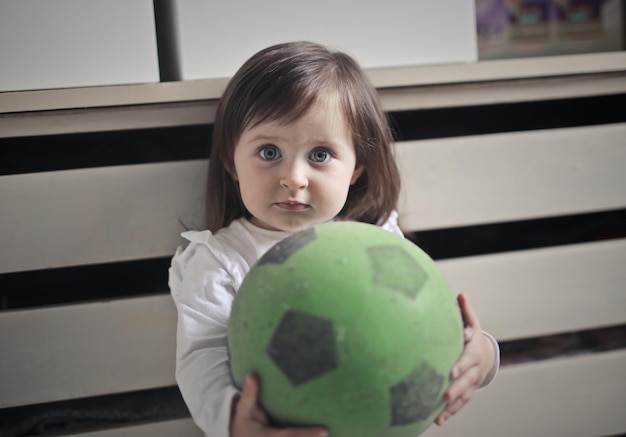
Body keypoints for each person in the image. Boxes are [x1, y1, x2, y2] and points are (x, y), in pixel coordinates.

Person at [169, 41, 499, 437]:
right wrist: (234, 422)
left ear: (357, 168)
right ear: (230, 161)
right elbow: (201, 358)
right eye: (269, 151)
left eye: (321, 155)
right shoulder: (221, 260)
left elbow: (424, 325)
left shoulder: (378, 245)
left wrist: (480, 354)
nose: (294, 177)